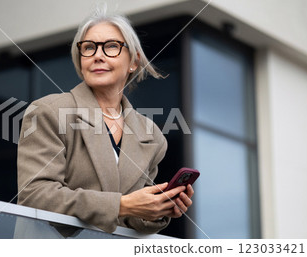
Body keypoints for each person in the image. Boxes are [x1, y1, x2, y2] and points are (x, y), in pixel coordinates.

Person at [17, 8, 194, 234]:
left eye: (111, 46)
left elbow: (129, 219)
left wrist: (157, 209)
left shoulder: (152, 136)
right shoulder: (49, 111)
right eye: (89, 47)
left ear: (134, 61)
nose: (97, 55)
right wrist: (121, 205)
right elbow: (35, 194)